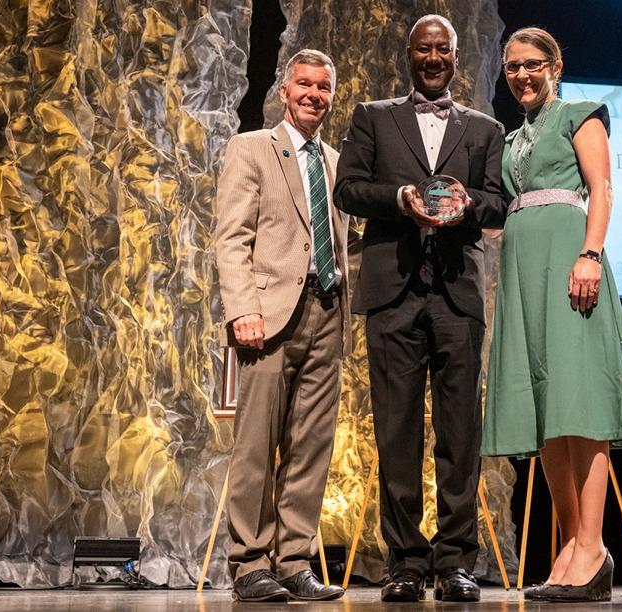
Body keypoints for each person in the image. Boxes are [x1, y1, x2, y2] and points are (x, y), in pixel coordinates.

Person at [334, 14, 506, 603]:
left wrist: (465, 207)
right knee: (396, 432)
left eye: (443, 50)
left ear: (456, 58)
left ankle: (456, 558)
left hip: (458, 295)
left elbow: (499, 203)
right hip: (394, 293)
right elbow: (349, 189)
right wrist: (403, 198)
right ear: (409, 55)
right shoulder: (373, 117)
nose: (433, 59)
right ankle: (405, 561)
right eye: (423, 49)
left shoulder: (484, 128)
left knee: (460, 433)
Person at [481, 28, 622, 603]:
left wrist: (590, 254)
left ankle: (593, 545)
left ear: (555, 66)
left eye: (532, 65)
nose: (522, 76)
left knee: (581, 404)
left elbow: (602, 188)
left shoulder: (580, 114)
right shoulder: (511, 137)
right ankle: (574, 544)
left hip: (572, 263)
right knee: (545, 410)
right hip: (524, 274)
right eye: (512, 68)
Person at [214, 49, 349, 603]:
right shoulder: (251, 148)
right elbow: (231, 236)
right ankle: (249, 565)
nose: (313, 95)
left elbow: (336, 238)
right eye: (304, 84)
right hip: (267, 318)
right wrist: (242, 308)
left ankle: (294, 560)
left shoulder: (337, 162)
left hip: (327, 312)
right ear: (284, 89)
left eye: (323, 87)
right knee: (255, 446)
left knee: (311, 446)